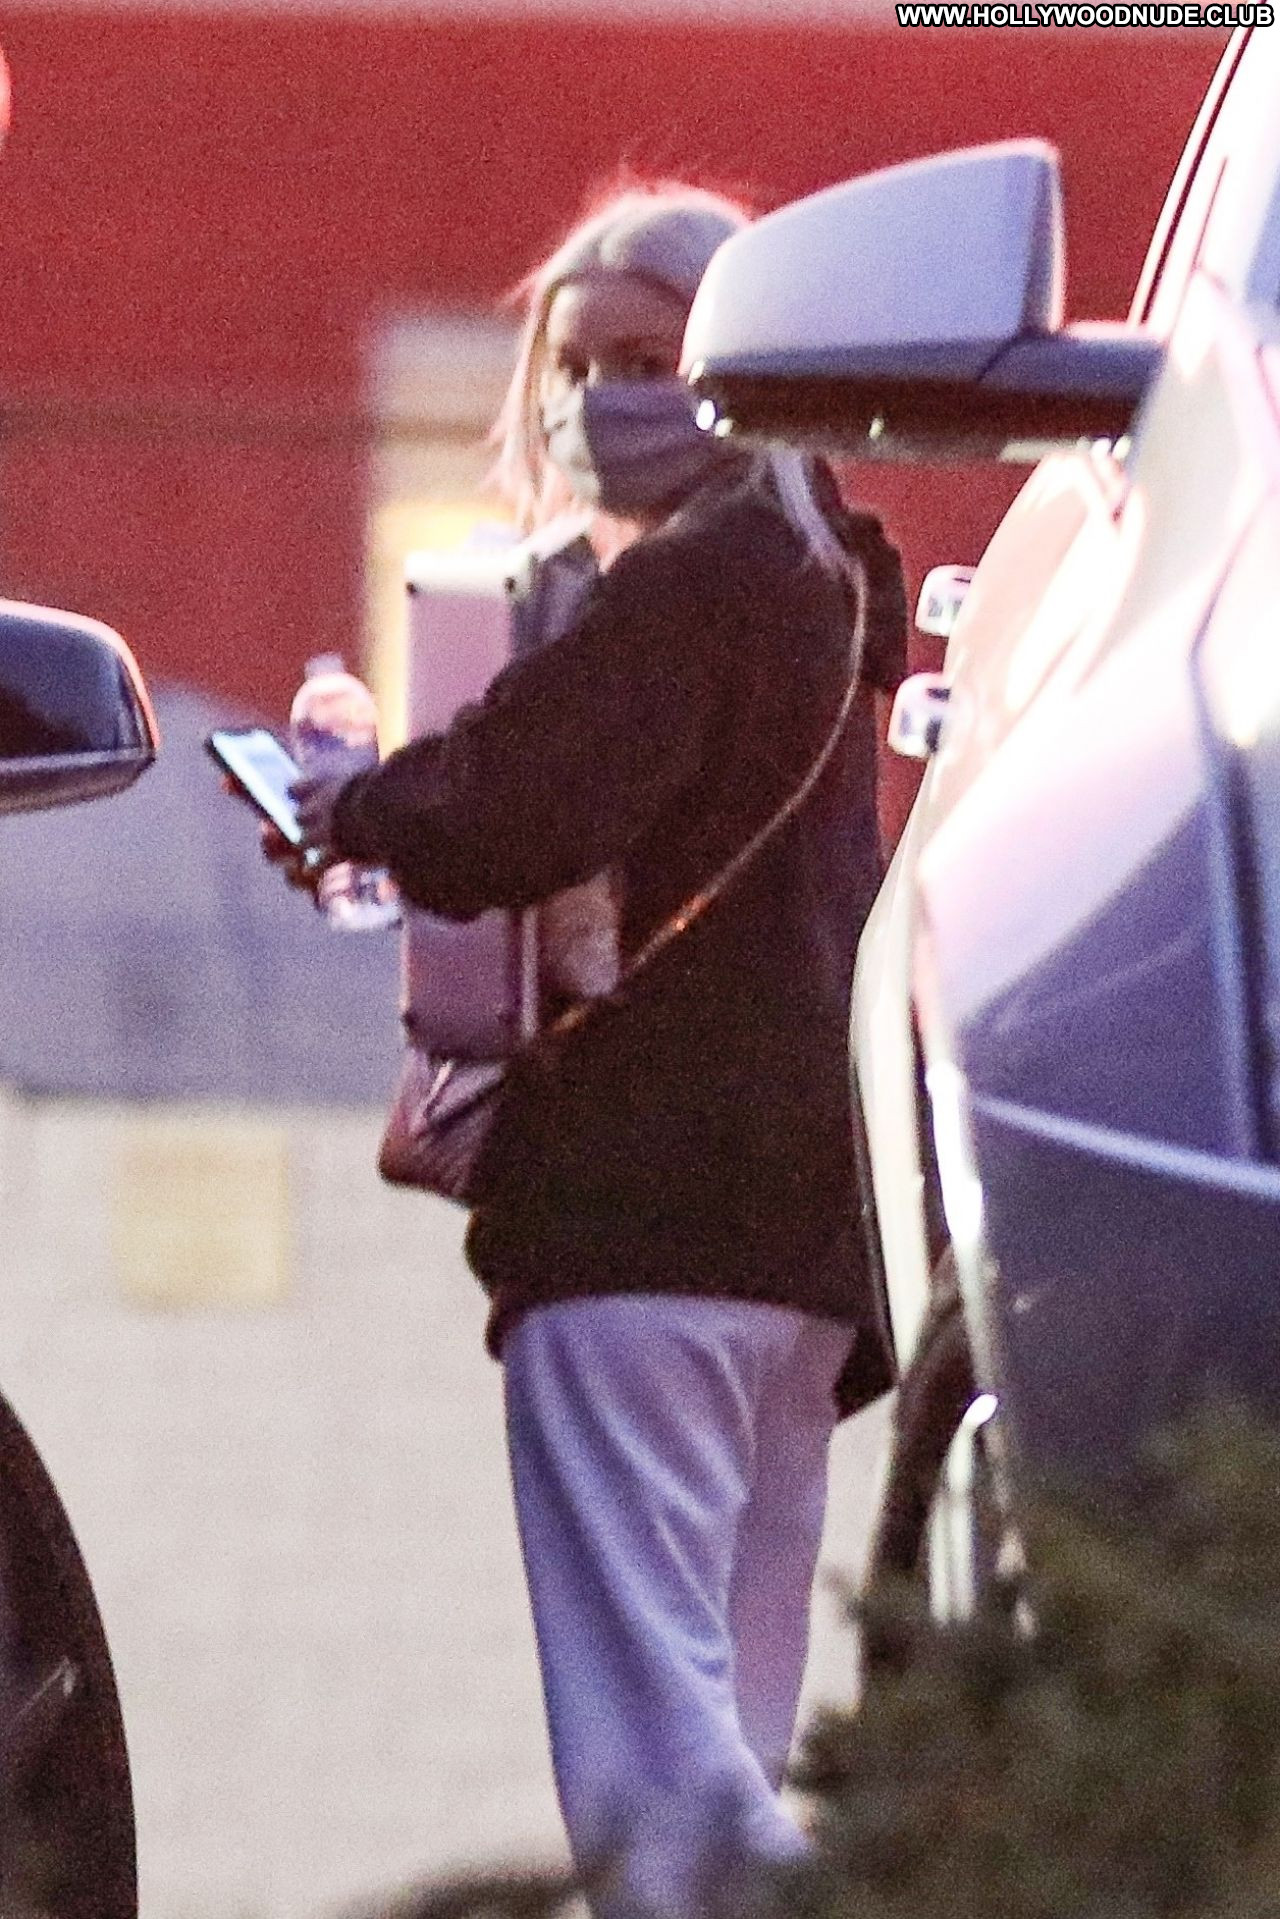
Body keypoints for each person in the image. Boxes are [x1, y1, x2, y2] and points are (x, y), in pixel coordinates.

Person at [264, 181, 908, 1919]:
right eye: (576, 362)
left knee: (655, 1776)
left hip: (643, 1222)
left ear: (740, 369)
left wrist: (353, 803)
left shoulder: (691, 587)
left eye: (649, 357)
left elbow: (520, 802)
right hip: (800, 1245)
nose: (600, 397)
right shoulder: (821, 592)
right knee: (731, 1730)